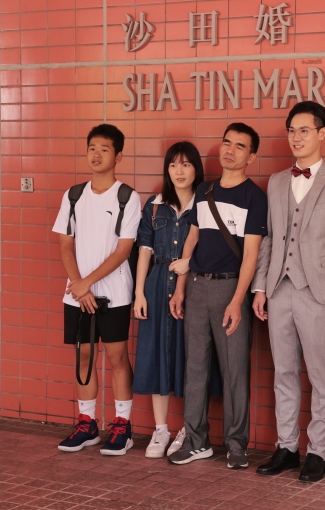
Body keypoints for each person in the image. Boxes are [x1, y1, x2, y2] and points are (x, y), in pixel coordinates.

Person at [252, 101, 325, 483]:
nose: (296, 138)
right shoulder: (277, 181)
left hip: (319, 294)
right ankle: (286, 448)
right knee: (283, 372)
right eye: (291, 131)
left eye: (304, 130)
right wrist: (260, 287)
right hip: (279, 290)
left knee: (320, 375)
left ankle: (317, 452)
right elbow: (268, 238)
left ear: (322, 133)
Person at [168, 123, 267, 468]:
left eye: (240, 146)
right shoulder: (204, 190)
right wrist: (180, 287)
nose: (230, 150)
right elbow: (192, 238)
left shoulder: (255, 197)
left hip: (229, 288)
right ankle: (196, 442)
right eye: (227, 143)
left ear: (251, 157)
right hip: (196, 286)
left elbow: (251, 255)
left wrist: (238, 301)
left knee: (234, 370)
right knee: (194, 367)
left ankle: (236, 445)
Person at [52, 124, 140, 455]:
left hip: (114, 293)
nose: (96, 154)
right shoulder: (73, 195)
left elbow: (123, 250)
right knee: (84, 355)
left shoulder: (127, 197)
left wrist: (86, 283)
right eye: (92, 148)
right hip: (77, 294)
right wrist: (79, 286)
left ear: (118, 156)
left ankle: (122, 426)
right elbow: (65, 245)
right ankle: (87, 424)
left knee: (117, 357)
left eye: (104, 149)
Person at [132, 142, 204, 458]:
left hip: (193, 285)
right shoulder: (155, 205)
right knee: (157, 353)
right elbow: (144, 250)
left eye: (186, 164)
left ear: (196, 168)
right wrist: (139, 293)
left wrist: (189, 266)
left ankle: (189, 428)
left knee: (191, 357)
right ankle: (160, 430)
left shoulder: (206, 203)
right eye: (173, 165)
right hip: (158, 284)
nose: (179, 171)